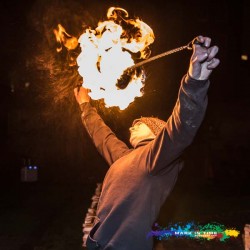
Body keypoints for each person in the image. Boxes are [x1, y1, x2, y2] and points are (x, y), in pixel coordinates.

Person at [74, 35, 220, 250]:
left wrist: (194, 83)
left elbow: (181, 127)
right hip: (98, 245)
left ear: (155, 132)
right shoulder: (124, 158)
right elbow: (103, 136)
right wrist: (86, 106)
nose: (133, 124)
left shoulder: (155, 158)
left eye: (140, 123)